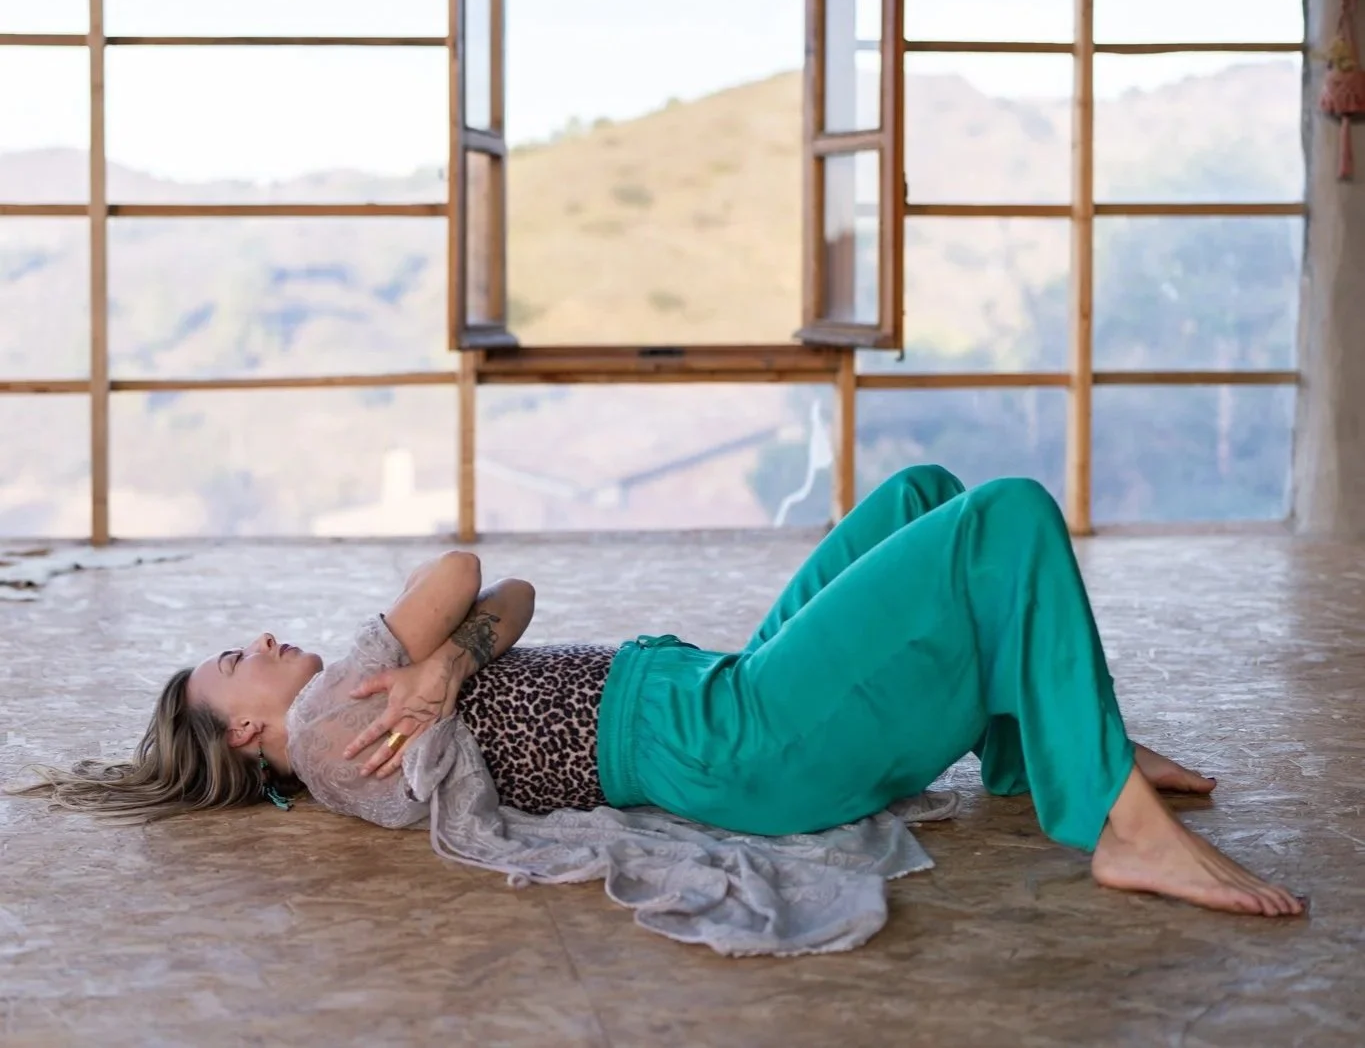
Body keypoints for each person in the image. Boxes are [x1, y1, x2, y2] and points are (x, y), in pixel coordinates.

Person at [16, 465, 1304, 919]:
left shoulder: (368, 702)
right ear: (246, 729)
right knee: (1003, 516)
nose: (257, 637)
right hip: (734, 745)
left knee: (919, 494)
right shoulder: (323, 726)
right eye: (235, 657)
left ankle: (1052, 749)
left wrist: (456, 656)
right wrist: (447, 634)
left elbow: (507, 598)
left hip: (710, 696)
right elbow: (463, 564)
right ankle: (1118, 825)